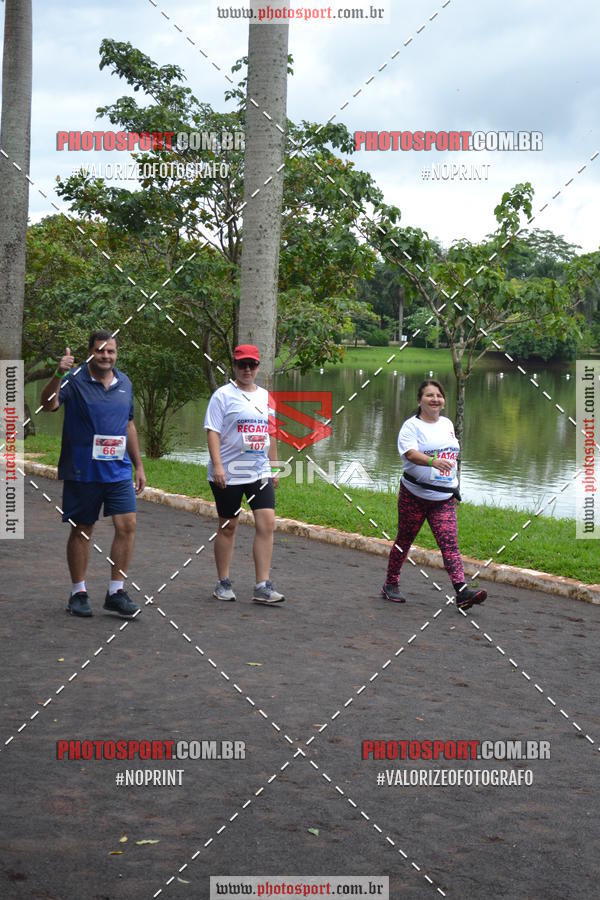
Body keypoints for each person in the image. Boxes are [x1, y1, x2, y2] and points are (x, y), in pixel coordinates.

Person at [41, 330, 146, 619]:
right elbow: (48, 404)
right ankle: (78, 592)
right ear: (90, 352)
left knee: (128, 525)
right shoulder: (73, 380)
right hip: (83, 470)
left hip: (118, 471)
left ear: (116, 353)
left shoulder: (125, 382)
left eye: (110, 351)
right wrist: (57, 374)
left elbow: (129, 425)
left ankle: (116, 591)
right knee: (82, 530)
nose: (106, 356)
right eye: (100, 351)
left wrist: (139, 465)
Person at [381, 379, 487, 611]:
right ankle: (390, 584)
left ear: (444, 400)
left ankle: (462, 592)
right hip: (414, 495)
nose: (435, 399)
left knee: (450, 544)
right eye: (429, 395)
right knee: (404, 541)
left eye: (439, 395)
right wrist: (432, 461)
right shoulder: (411, 426)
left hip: (443, 499)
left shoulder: (447, 423)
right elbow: (409, 454)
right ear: (420, 401)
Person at [204, 344, 284, 605]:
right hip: (228, 472)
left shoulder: (266, 397)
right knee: (229, 526)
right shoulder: (222, 396)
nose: (247, 369)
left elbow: (270, 434)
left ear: (258, 366)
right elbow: (212, 431)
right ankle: (223, 582)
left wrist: (274, 466)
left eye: (252, 365)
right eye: (242, 365)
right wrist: (217, 466)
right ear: (234, 366)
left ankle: (262, 585)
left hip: (258, 471)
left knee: (267, 523)